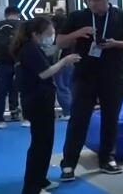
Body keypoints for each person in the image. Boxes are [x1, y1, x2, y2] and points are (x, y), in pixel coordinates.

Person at [58, 0, 123, 181]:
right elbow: (60, 41)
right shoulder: (77, 16)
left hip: (113, 75)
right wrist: (78, 33)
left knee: (111, 118)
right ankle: (69, 163)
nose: (92, 3)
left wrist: (116, 44)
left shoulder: (122, 16)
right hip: (84, 75)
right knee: (78, 119)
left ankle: (107, 158)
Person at [14, 17, 81, 194]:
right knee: (40, 145)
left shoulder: (33, 48)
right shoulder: (29, 49)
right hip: (37, 101)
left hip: (40, 100)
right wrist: (64, 61)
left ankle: (40, 179)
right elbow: (44, 73)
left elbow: (49, 55)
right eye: (48, 34)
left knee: (45, 143)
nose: (51, 37)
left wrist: (61, 46)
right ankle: (32, 187)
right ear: (36, 34)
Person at [0, 6, 24, 128]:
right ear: (18, 14)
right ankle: (21, 115)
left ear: (6, 14)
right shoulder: (23, 25)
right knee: (22, 89)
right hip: (19, 61)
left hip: (3, 61)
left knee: (2, 91)